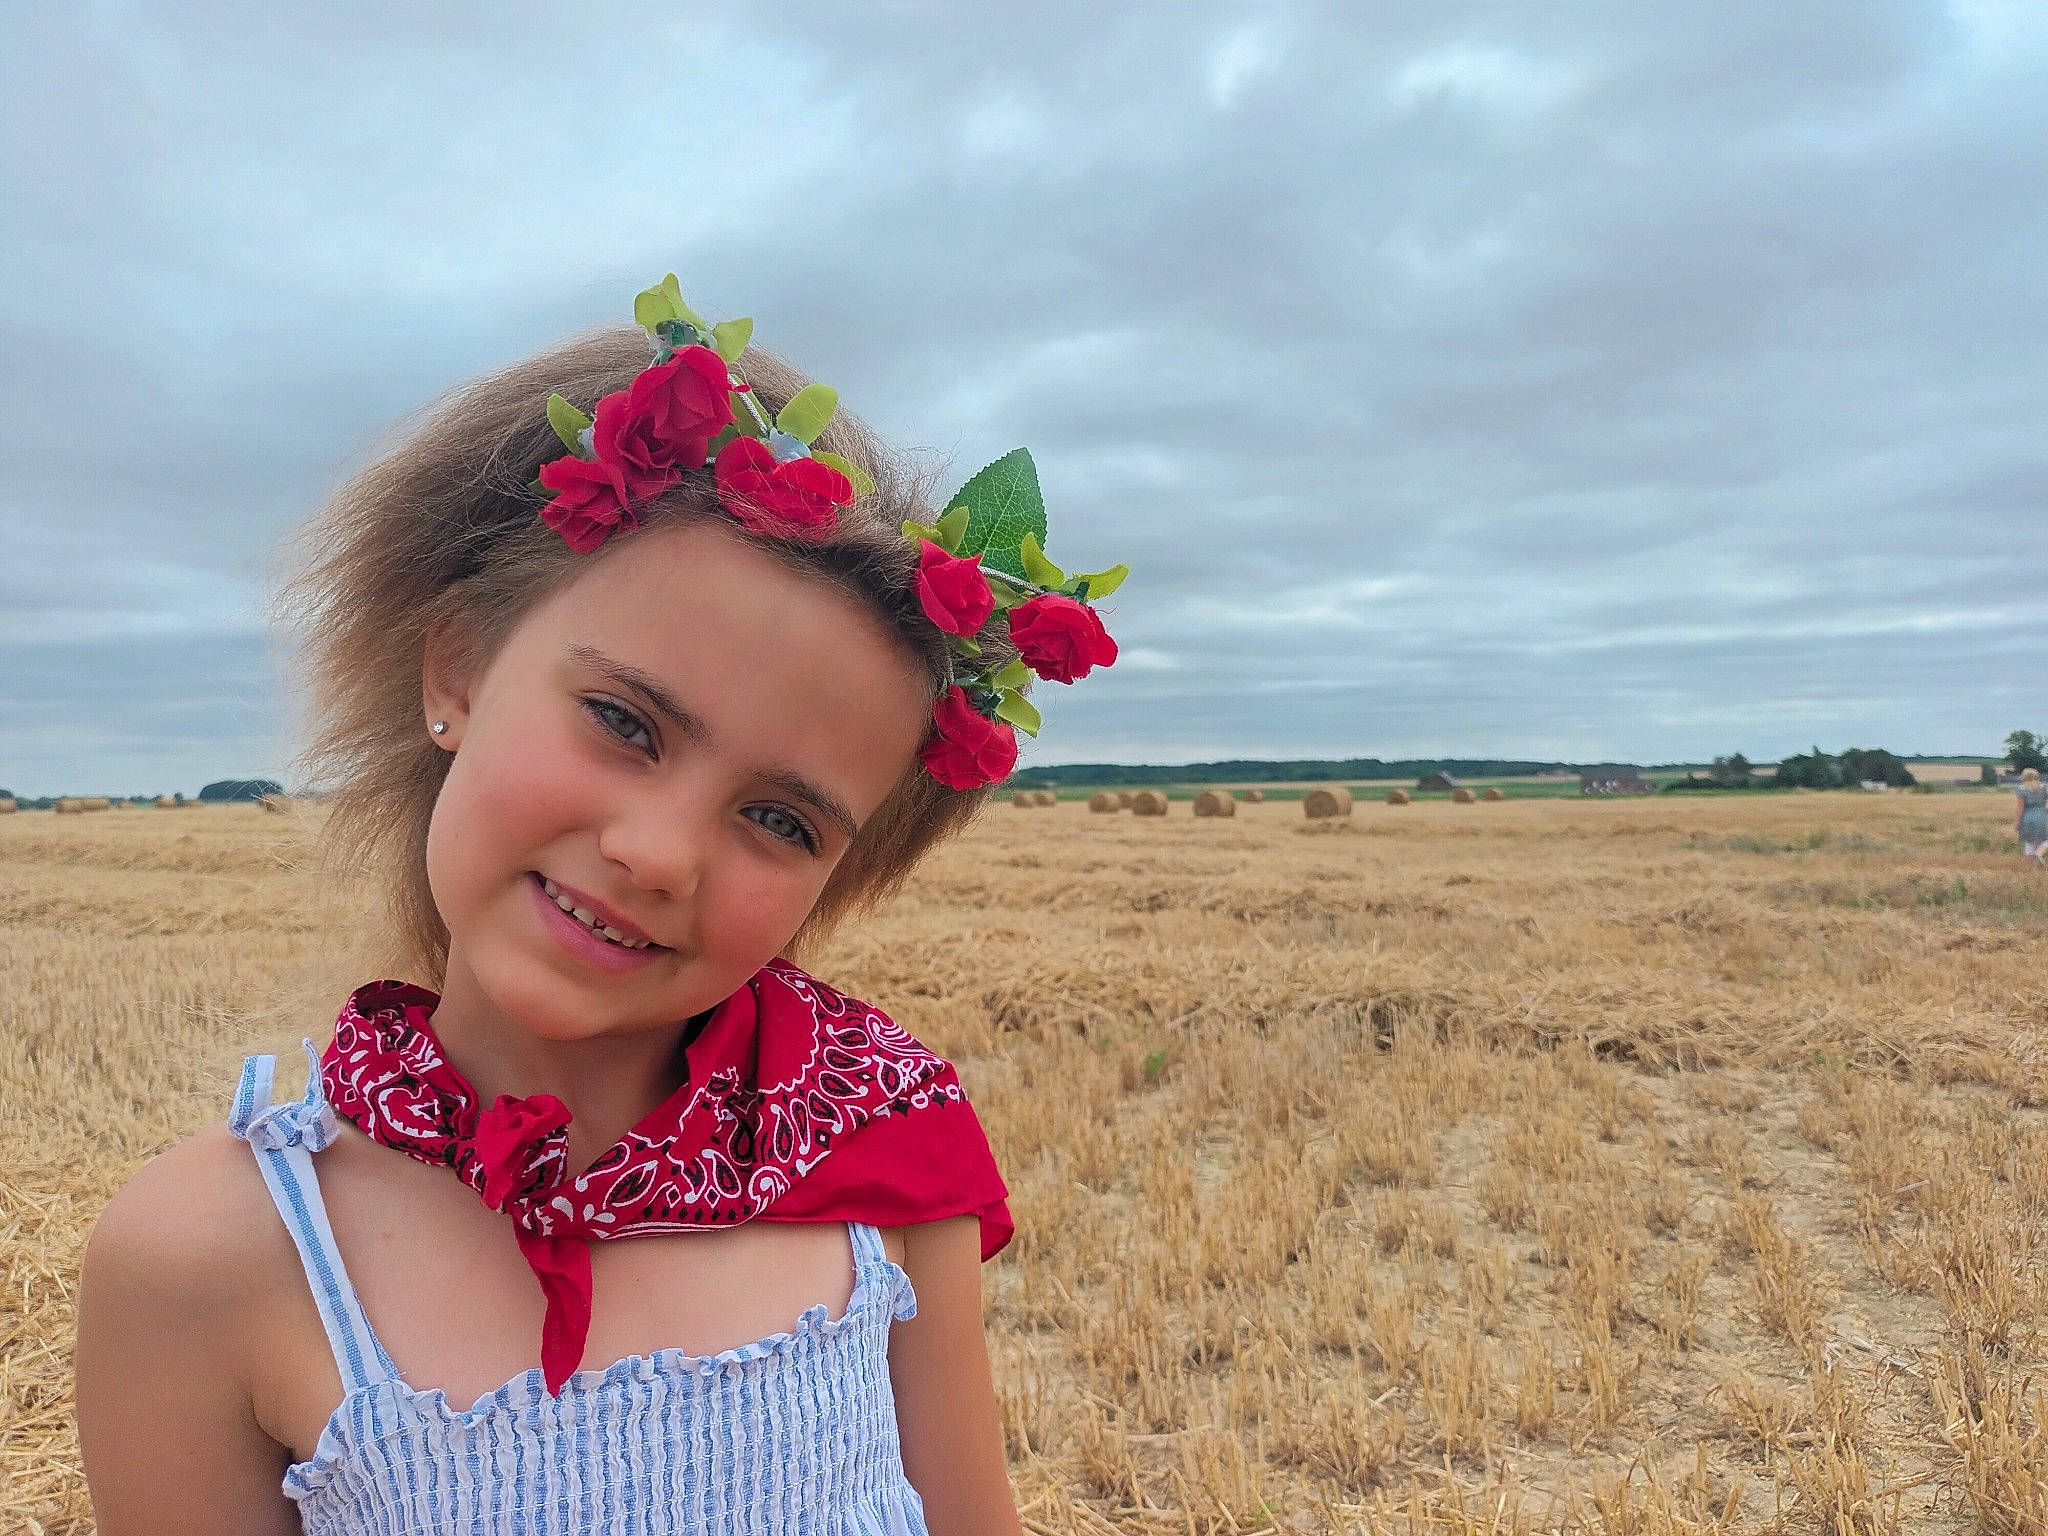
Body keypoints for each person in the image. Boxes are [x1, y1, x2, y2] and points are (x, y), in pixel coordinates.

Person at [74, 275, 1123, 1535]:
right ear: (454, 669)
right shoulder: (208, 1259)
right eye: (624, 723)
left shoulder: (884, 1160)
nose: (661, 855)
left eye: (780, 822)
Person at [2018, 766, 2047, 866]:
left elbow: (2020, 808)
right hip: (2042, 816)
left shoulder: (2021, 789)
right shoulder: (2044, 787)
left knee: (2029, 843)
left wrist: (2017, 823)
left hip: (2027, 818)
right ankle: (2039, 853)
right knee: (2043, 839)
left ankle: (2029, 868)